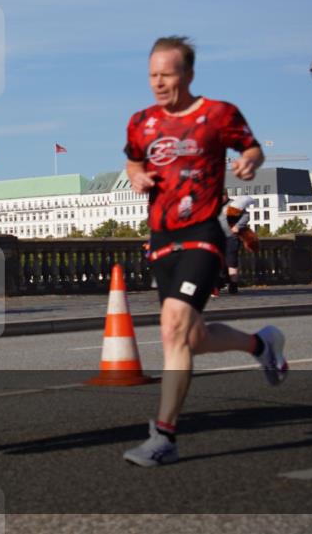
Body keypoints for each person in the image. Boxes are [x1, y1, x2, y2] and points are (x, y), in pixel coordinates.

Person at [122, 36, 288, 467]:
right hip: (161, 240)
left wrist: (249, 161)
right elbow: (133, 160)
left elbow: (250, 147)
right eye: (153, 75)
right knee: (191, 338)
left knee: (172, 329)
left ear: (189, 75)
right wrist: (136, 175)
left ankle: (164, 436)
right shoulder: (141, 122)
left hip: (202, 232)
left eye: (168, 75)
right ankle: (260, 344)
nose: (159, 83)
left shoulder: (218, 114)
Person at [219, 192, 256, 294]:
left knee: (231, 261)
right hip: (217, 237)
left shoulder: (234, 205)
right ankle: (220, 282)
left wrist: (238, 226)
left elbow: (246, 216)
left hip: (231, 237)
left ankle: (233, 285)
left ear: (225, 195)